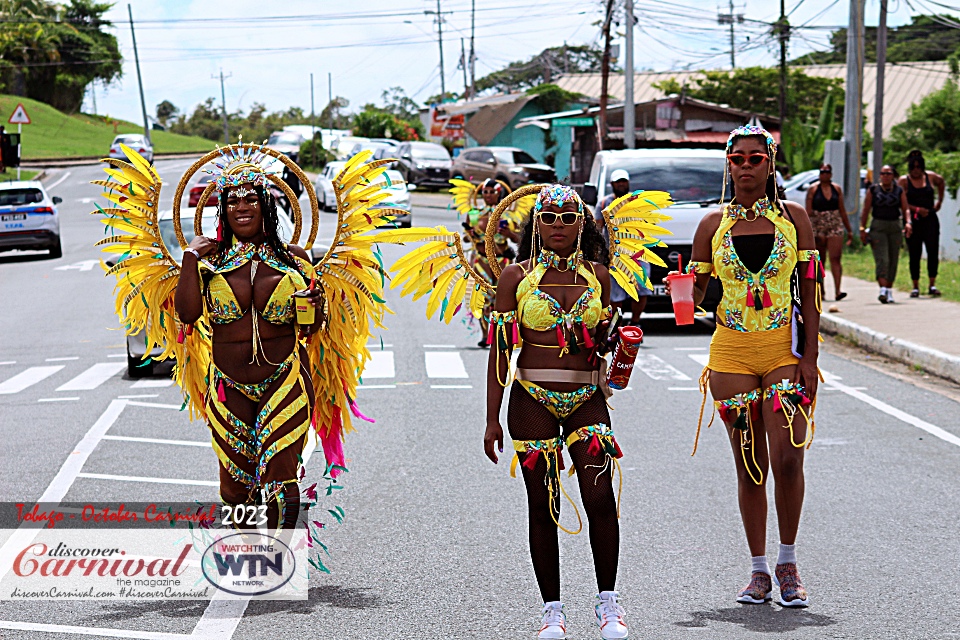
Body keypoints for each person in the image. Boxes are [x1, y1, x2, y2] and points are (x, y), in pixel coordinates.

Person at [97, 142, 394, 537]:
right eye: (231, 200)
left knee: (282, 479)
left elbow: (312, 327)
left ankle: (282, 555)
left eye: (251, 198)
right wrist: (189, 257)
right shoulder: (208, 263)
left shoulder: (294, 260)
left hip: (285, 380)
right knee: (235, 489)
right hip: (227, 387)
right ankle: (249, 548)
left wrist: (316, 303)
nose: (241, 206)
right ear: (222, 209)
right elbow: (187, 314)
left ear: (265, 206)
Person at [669, 125, 822, 608]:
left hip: (783, 351)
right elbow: (694, 300)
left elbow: (812, 295)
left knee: (789, 457)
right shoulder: (710, 226)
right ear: (728, 165)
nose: (746, 166)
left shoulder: (794, 218)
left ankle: (788, 561)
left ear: (771, 164)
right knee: (750, 463)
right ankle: (758, 570)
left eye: (757, 158)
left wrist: (810, 357)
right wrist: (680, 285)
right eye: (738, 159)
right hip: (730, 354)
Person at [458, 178, 520, 347]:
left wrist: (508, 233)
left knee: (502, 299)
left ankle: (500, 334)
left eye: (492, 192)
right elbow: (466, 238)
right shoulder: (474, 214)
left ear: (499, 193)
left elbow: (517, 238)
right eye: (485, 192)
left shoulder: (507, 215)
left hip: (502, 261)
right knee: (482, 298)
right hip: (481, 261)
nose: (488, 195)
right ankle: (485, 335)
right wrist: (470, 233)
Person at [595, 169, 651, 331]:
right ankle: (616, 324)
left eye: (624, 181)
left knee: (641, 290)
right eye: (618, 182)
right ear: (612, 184)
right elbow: (598, 228)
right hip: (614, 256)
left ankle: (635, 321)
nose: (621, 184)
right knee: (616, 294)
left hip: (638, 254)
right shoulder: (604, 204)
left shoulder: (638, 201)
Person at [860, 165, 911, 304]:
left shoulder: (899, 190)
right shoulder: (873, 190)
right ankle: (882, 289)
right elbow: (866, 209)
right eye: (883, 173)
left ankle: (889, 290)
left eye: (888, 173)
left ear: (893, 175)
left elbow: (905, 209)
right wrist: (862, 228)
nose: (885, 176)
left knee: (893, 259)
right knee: (883, 259)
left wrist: (908, 223)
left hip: (894, 226)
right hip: (878, 227)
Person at [899, 150, 945, 297]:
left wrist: (939, 201)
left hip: (930, 219)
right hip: (913, 220)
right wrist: (916, 209)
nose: (916, 170)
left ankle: (932, 284)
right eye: (913, 167)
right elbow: (902, 201)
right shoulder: (904, 181)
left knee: (932, 251)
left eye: (919, 167)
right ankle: (915, 285)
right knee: (914, 252)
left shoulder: (930, 177)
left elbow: (941, 181)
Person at [804, 163, 852, 300]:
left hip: (834, 223)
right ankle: (821, 291)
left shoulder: (836, 189)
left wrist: (849, 230)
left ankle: (838, 290)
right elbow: (808, 211)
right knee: (820, 259)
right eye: (822, 172)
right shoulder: (813, 189)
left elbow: (842, 210)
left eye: (827, 172)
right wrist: (806, 230)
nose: (824, 174)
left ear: (831, 174)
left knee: (835, 258)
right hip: (818, 224)